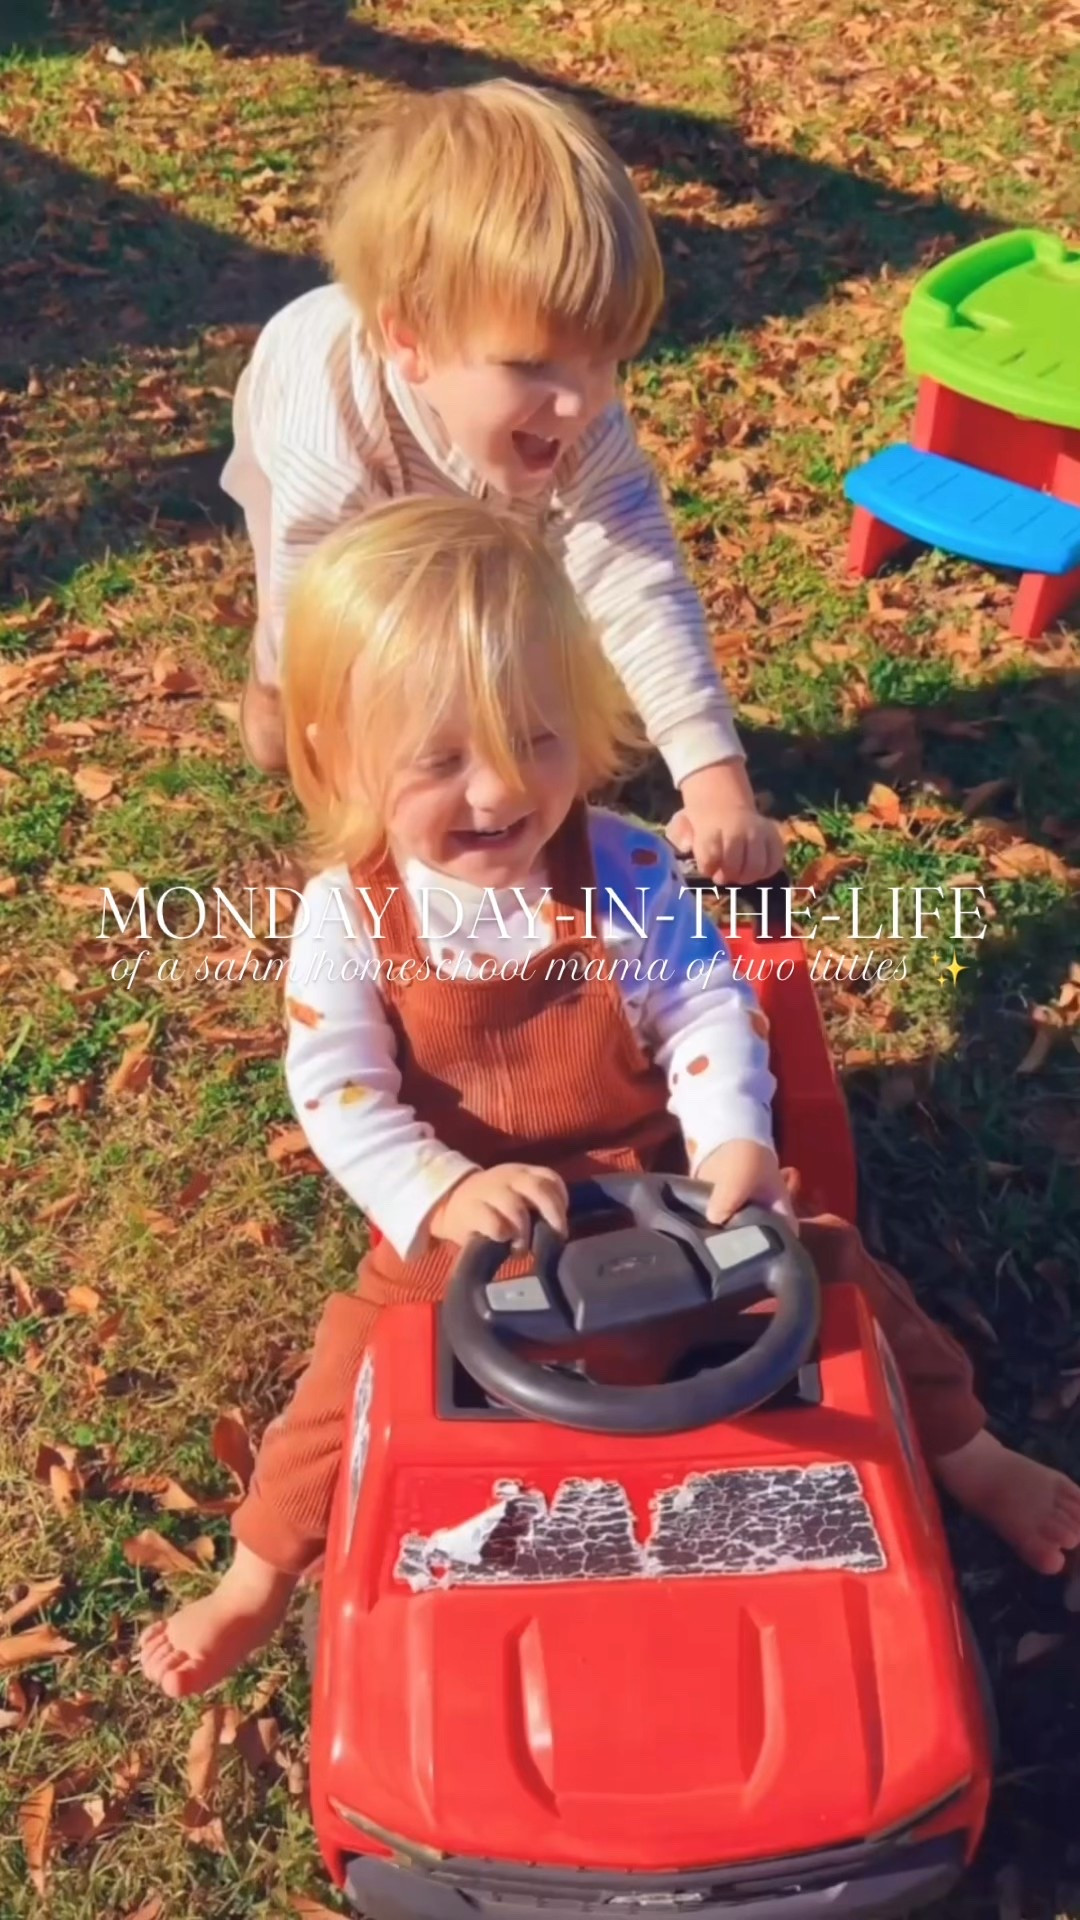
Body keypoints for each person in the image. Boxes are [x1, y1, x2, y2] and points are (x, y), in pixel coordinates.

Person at [141, 500, 1080, 1699]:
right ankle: (255, 1579)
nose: (497, 789)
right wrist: (441, 1188)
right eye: (439, 757)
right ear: (342, 753)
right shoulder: (350, 916)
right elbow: (338, 1090)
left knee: (841, 1268)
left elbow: (701, 1004)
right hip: (467, 1218)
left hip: (657, 1181)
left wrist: (735, 1139)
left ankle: (970, 1451)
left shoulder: (628, 863)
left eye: (535, 738)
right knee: (347, 1377)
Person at [221, 76, 783, 885]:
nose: (580, 399)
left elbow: (634, 574)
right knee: (296, 698)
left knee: (505, 626)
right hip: (318, 486)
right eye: (530, 365)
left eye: (607, 358)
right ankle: (267, 693)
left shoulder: (575, 413)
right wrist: (374, 812)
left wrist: (713, 777)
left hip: (466, 482)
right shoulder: (330, 417)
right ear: (409, 341)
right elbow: (326, 628)